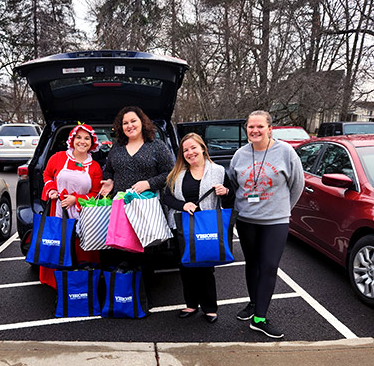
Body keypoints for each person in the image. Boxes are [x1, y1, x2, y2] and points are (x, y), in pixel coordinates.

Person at [228, 110, 304, 339]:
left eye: (260, 126)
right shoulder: (240, 155)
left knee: (269, 266)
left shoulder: (286, 152)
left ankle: (260, 318)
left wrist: (282, 210)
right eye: (251, 127)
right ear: (246, 129)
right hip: (247, 220)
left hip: (275, 222)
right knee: (252, 264)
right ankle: (253, 304)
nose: (255, 130)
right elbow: (233, 182)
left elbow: (297, 185)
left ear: (270, 129)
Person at [99, 106, 174, 297]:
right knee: (124, 250)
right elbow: (109, 170)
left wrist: (149, 183)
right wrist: (108, 181)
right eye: (125, 123)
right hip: (122, 208)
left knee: (146, 251)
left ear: (142, 123)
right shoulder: (117, 147)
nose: (129, 125)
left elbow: (170, 173)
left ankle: (144, 296)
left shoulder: (156, 146)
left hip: (146, 208)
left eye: (133, 121)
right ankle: (126, 295)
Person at [163, 133, 233, 323]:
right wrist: (183, 205)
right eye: (185, 150)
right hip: (183, 227)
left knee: (205, 268)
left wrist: (225, 192)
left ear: (203, 148)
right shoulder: (176, 173)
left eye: (193, 147)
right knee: (186, 267)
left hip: (207, 226)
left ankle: (210, 307)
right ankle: (191, 304)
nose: (190, 152)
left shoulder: (218, 171)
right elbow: (166, 198)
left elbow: (230, 198)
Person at [39, 123, 103, 288]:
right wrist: (51, 189)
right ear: (72, 140)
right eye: (79, 137)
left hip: (84, 216)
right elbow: (46, 175)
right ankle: (57, 282)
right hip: (58, 211)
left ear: (92, 142)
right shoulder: (58, 157)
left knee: (81, 250)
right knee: (58, 247)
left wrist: (76, 199)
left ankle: (81, 282)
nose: (82, 141)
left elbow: (95, 193)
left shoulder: (94, 167)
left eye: (86, 138)